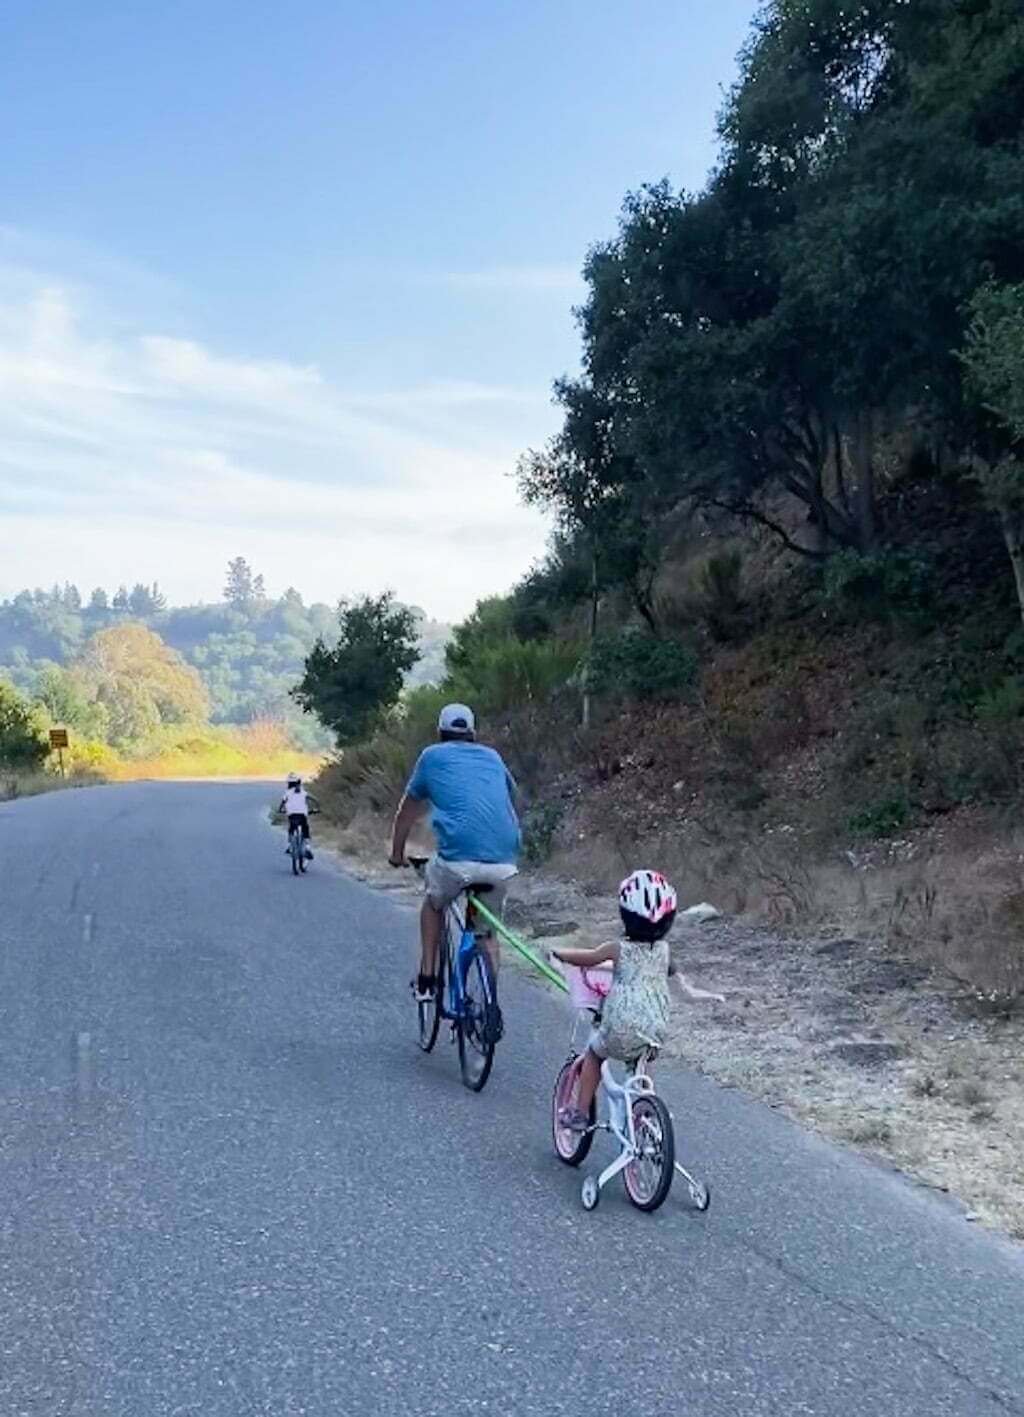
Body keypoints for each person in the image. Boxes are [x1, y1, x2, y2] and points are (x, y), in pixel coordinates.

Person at [552, 869, 725, 1132]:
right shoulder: (665, 952)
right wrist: (708, 995)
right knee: (643, 1060)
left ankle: (580, 1113)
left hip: (620, 1028)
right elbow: (686, 989)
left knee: (594, 1055)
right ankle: (644, 1108)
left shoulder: (618, 949)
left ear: (626, 916)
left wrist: (559, 953)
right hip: (654, 1028)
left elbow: (586, 958)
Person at [389, 703, 520, 1010]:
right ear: (473, 733)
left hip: (458, 859)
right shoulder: (492, 756)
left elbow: (406, 813)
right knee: (486, 932)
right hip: (503, 859)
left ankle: (427, 978)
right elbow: (511, 797)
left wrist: (397, 853)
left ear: (440, 732)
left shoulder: (431, 756)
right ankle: (489, 1003)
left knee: (434, 904)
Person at [279, 772, 319, 861]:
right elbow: (314, 800)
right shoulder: (303, 792)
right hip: (302, 815)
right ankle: (308, 848)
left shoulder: (287, 793)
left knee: (291, 828)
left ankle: (290, 846)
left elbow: (282, 803)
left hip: (291, 815)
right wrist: (317, 808)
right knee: (305, 829)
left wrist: (280, 810)